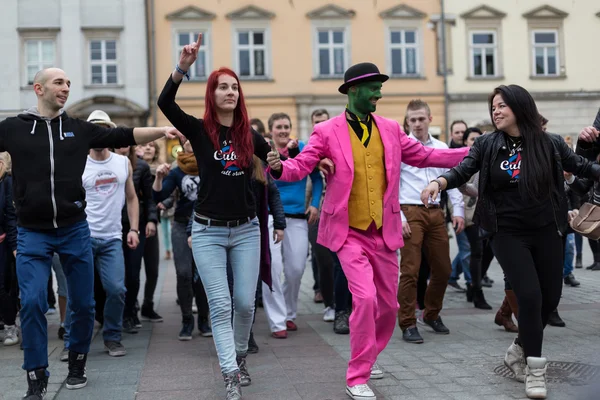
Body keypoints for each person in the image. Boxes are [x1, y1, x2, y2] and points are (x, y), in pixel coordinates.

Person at [267, 62, 468, 400]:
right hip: (348, 231)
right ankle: (357, 375)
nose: (378, 93)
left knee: (388, 306)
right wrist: (278, 167)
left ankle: (369, 354)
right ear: (354, 90)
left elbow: (424, 155)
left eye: (379, 87)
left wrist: (473, 153)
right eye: (373, 87)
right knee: (364, 297)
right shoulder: (327, 131)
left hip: (384, 230)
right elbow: (299, 167)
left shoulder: (390, 128)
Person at [0, 67, 182, 399]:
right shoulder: (14, 129)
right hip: (32, 232)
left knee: (84, 304)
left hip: (73, 230)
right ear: (38, 88)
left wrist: (163, 130)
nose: (66, 88)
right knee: (32, 303)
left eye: (69, 83)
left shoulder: (79, 130)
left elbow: (124, 135)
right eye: (59, 82)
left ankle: (77, 362)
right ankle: (36, 376)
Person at [421, 85, 600, 399]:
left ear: (520, 107)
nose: (496, 111)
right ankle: (535, 370)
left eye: (502, 105)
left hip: (548, 230)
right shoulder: (488, 144)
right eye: (493, 107)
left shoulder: (551, 143)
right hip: (507, 233)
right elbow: (464, 170)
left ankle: (519, 349)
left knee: (551, 300)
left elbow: (584, 168)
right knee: (529, 297)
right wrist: (440, 180)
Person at [157, 34, 275, 400]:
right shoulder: (198, 129)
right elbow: (165, 102)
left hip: (246, 231)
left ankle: (239, 358)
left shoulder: (251, 137)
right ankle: (229, 373)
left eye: (234, 88)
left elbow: (278, 165)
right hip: (207, 231)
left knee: (243, 303)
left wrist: (288, 163)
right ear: (212, 94)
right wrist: (182, 68)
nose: (230, 92)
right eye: (222, 87)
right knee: (221, 305)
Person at [62, 110, 141, 360]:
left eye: (105, 128)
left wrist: (134, 229)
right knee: (78, 292)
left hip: (112, 237)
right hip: (82, 236)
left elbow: (131, 197)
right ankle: (70, 343)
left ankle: (112, 337)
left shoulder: (122, 162)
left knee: (117, 289)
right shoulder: (78, 162)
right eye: (96, 128)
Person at [398, 100, 466, 344]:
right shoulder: (401, 147)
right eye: (412, 120)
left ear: (429, 118)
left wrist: (457, 210)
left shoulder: (440, 146)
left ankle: (431, 313)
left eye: (421, 119)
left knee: (443, 269)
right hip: (410, 210)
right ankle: (407, 322)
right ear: (407, 122)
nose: (416, 123)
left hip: (436, 211)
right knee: (410, 271)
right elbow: (391, 185)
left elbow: (452, 178)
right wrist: (400, 216)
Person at [0, 152, 18, 346]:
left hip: (3, 243)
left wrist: (14, 246)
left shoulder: (7, 183)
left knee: (3, 287)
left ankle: (10, 325)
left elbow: (10, 216)